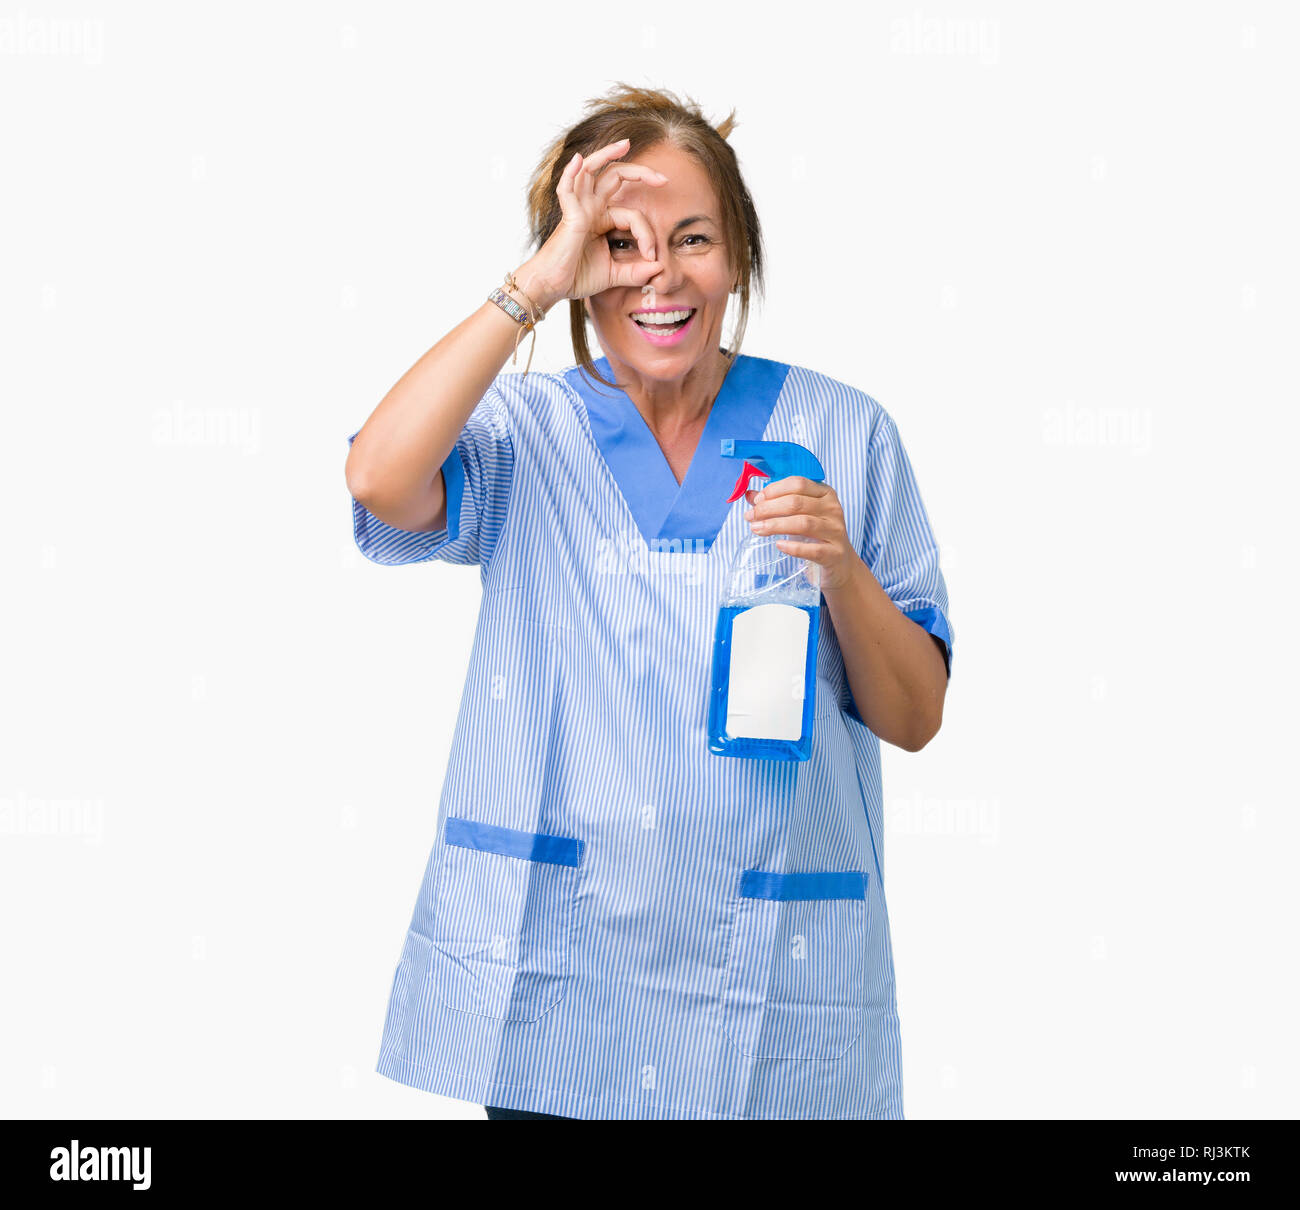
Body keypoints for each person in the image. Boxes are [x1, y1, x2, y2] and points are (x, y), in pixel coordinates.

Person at [344, 84, 954, 1121]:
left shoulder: (845, 430)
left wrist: (840, 569)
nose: (658, 276)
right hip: (564, 982)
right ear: (577, 265)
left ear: (740, 257)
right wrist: (530, 286)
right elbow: (378, 480)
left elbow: (913, 718)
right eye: (617, 244)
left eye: (693, 239)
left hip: (770, 985)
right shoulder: (522, 435)